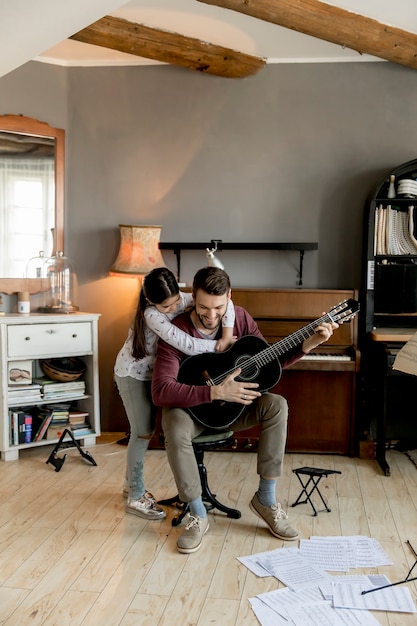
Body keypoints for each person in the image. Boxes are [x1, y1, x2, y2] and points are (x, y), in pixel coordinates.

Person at [152, 267, 338, 553]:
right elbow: (161, 391)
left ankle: (266, 498)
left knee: (277, 404)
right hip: (192, 414)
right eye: (202, 307)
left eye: (218, 307)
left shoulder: (241, 320)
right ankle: (197, 513)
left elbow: (265, 367)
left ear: (229, 297)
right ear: (193, 299)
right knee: (173, 423)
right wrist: (214, 391)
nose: (211, 315)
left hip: (234, 410)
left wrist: (309, 344)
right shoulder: (175, 329)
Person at [114, 267, 236, 520]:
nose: (173, 309)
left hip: (157, 375)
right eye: (166, 307)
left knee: (144, 431)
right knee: (142, 433)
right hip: (133, 375)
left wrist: (226, 333)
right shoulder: (151, 315)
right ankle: (136, 496)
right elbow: (185, 344)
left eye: (175, 302)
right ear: (150, 301)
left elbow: (228, 303)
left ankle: (130, 486)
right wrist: (220, 347)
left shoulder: (185, 299)